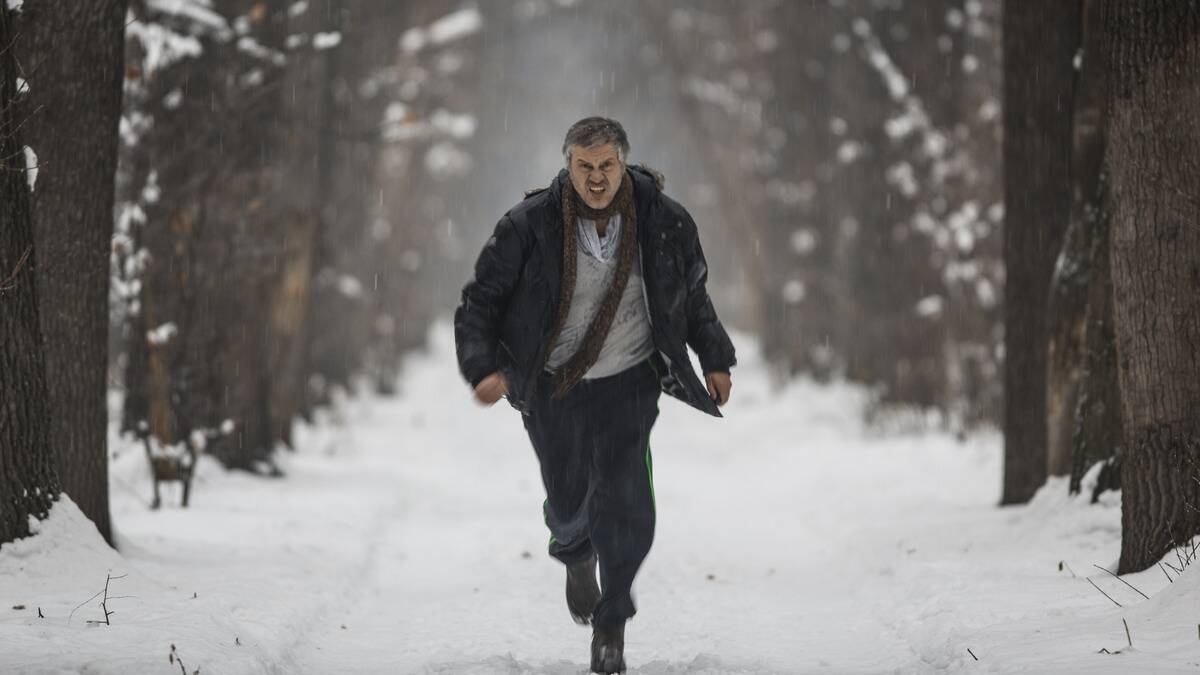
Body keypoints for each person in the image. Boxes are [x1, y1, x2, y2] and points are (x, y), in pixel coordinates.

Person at [453, 116, 736, 674]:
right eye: (585, 166)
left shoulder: (666, 221)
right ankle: (574, 551)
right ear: (568, 166)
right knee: (567, 496)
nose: (597, 177)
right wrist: (481, 367)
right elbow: (480, 301)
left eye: (607, 165)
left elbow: (693, 295)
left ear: (624, 163)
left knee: (628, 497)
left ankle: (612, 623)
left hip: (630, 381)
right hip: (554, 383)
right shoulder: (527, 226)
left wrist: (716, 358)